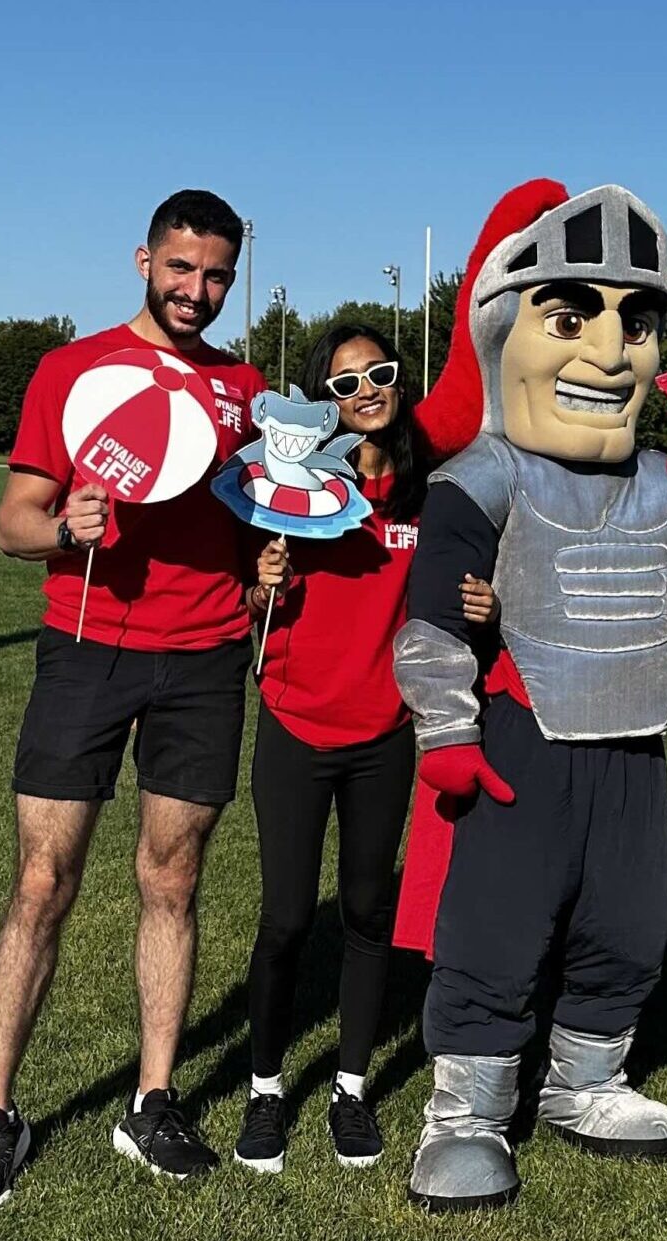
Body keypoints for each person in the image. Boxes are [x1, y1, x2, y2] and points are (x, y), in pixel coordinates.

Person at [390, 180, 667, 1213]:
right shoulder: (482, 474)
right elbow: (426, 621)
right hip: (525, 735)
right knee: (498, 926)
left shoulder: (655, 477)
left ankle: (584, 1081)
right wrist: (447, 731)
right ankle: (464, 1112)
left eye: (634, 321)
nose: (610, 348)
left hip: (633, 738)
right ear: (506, 330)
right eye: (571, 317)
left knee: (629, 921)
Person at [0, 188, 264, 1213]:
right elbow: (10, 526)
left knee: (171, 880)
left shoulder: (243, 389)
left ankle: (152, 1100)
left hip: (205, 658)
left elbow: (256, 516)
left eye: (215, 274)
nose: (196, 291)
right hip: (86, 651)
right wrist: (65, 527)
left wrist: (268, 565)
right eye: (180, 268)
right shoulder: (70, 371)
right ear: (142, 260)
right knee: (43, 880)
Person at [229, 324, 495, 1174]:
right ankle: (267, 1088)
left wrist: (486, 608)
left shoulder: (429, 497)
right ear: (322, 402)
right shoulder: (292, 494)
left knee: (368, 914)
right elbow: (244, 609)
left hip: (385, 737)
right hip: (295, 725)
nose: (365, 392)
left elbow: (463, 601)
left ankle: (349, 1087)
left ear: (398, 382)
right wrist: (259, 580)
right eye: (344, 384)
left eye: (378, 374)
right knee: (285, 919)